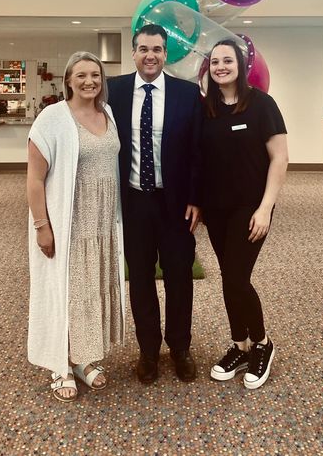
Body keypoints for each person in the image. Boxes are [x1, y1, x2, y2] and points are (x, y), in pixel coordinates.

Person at [27, 51, 125, 402]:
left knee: (91, 291)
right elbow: (35, 180)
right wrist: (42, 226)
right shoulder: (52, 118)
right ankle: (60, 365)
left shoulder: (107, 113)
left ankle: (82, 359)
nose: (89, 81)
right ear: (68, 80)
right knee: (67, 292)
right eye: (81, 75)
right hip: (69, 221)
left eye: (95, 75)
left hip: (101, 224)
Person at [108, 24, 202, 384]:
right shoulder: (113, 90)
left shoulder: (187, 94)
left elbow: (198, 152)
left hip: (175, 204)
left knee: (180, 277)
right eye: (144, 49)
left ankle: (180, 347)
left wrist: (196, 198)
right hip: (134, 202)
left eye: (157, 49)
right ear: (133, 53)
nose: (150, 55)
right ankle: (148, 350)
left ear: (166, 54)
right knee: (142, 278)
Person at [201, 39, 288, 390]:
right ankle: (240, 345)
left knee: (237, 278)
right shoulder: (206, 107)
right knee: (228, 276)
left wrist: (265, 208)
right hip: (216, 210)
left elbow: (279, 158)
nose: (221, 66)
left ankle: (263, 344)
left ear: (240, 64)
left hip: (251, 208)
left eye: (228, 60)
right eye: (215, 61)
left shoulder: (261, 104)